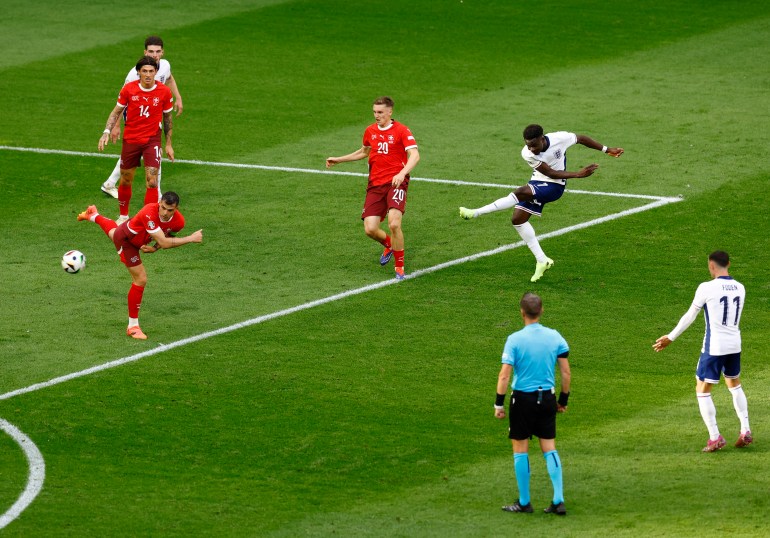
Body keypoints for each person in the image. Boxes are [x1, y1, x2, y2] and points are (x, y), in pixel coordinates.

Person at [459, 124, 623, 282]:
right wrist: (578, 174)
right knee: (518, 220)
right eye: (528, 145)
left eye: (534, 145)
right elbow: (550, 172)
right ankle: (542, 260)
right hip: (540, 182)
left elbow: (580, 138)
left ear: (542, 139)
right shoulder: (527, 153)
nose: (531, 149)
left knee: (520, 192)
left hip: (554, 187)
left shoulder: (559, 138)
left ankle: (476, 212)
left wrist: (607, 149)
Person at [653, 251, 751, 452]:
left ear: (711, 266)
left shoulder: (706, 287)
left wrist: (670, 337)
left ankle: (715, 437)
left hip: (715, 346)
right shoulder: (741, 288)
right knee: (734, 384)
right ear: (729, 264)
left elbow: (690, 315)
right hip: (735, 344)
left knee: (702, 389)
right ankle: (746, 430)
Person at [76, 191, 203, 339]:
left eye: (170, 210)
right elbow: (164, 242)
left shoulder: (179, 222)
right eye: (163, 207)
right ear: (159, 203)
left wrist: (155, 248)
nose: (165, 213)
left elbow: (167, 234)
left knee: (112, 231)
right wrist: (190, 238)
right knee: (140, 279)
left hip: (139, 238)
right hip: (126, 240)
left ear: (176, 208)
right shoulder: (149, 212)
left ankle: (93, 215)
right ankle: (133, 327)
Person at [325, 96, 420, 280]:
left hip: (396, 182)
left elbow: (414, 155)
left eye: (380, 112)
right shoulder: (370, 131)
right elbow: (364, 152)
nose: (377, 116)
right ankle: (390, 245)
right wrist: (339, 159)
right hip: (375, 184)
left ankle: (399, 266)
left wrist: (402, 174)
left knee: (394, 223)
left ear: (390, 112)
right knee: (370, 229)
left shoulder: (401, 131)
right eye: (375, 112)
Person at [495, 292, 571, 515]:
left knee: (520, 449)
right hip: (547, 398)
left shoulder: (515, 339)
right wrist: (562, 400)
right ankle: (558, 500)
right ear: (542, 310)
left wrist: (499, 404)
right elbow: (565, 372)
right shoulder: (556, 337)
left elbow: (504, 376)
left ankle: (525, 502)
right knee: (549, 448)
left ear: (521, 312)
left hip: (523, 400)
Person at [101, 36, 184, 200]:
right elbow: (121, 102)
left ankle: (110, 183)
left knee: (143, 153)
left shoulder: (165, 65)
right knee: (145, 153)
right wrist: (116, 127)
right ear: (145, 52)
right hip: (135, 116)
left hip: (153, 116)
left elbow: (169, 78)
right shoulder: (134, 74)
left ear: (163, 52)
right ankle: (157, 194)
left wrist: (178, 97)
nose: (155, 55)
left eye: (158, 51)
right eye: (151, 51)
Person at [98, 55, 174, 225]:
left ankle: (147, 219)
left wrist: (168, 143)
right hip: (131, 140)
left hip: (152, 141)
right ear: (138, 72)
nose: (148, 74)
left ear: (156, 72)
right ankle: (123, 216)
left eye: (151, 71)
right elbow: (116, 111)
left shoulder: (164, 91)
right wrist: (106, 131)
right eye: (144, 71)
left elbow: (168, 118)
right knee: (126, 179)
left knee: (152, 181)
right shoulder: (129, 89)